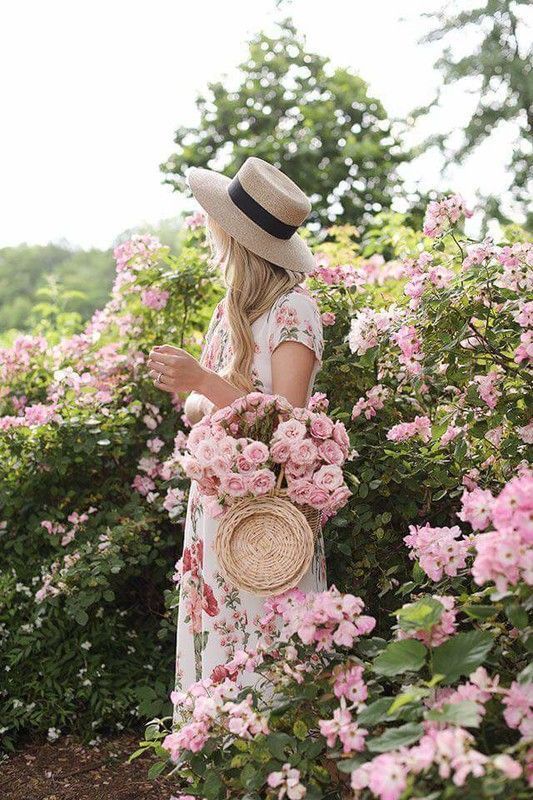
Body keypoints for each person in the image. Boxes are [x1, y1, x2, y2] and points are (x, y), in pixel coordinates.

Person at [146, 156, 327, 721]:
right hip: (218, 506)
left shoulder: (292, 310)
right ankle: (218, 760)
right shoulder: (230, 315)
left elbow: (287, 422)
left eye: (215, 219)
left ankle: (272, 767)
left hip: (269, 507)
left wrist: (205, 383)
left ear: (236, 235)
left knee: (268, 640)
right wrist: (206, 389)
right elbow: (202, 410)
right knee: (220, 637)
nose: (209, 228)